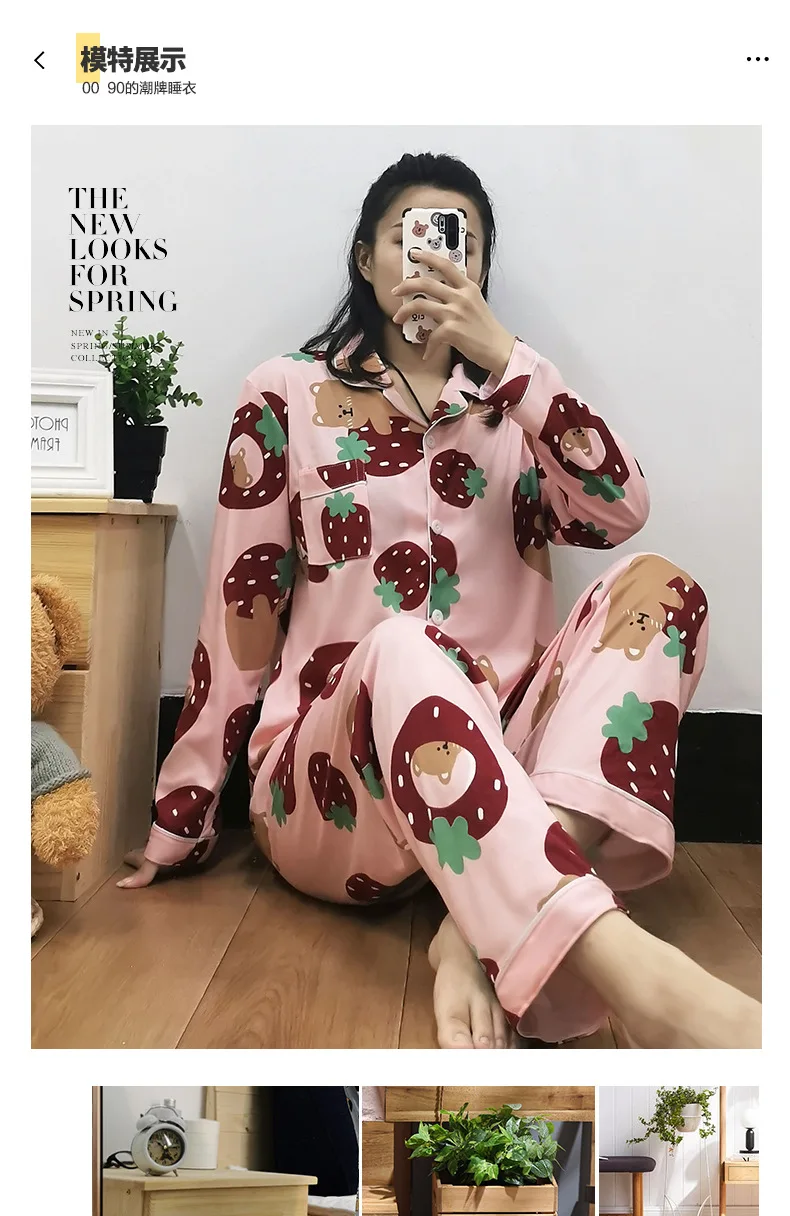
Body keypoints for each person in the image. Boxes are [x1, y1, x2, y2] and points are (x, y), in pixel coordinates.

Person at [120, 151, 760, 1051]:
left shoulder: (517, 410)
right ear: (364, 256)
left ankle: (472, 924)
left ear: (481, 269)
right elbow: (240, 612)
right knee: (401, 643)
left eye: (460, 242)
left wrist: (509, 362)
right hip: (338, 789)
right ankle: (633, 971)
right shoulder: (285, 393)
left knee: (665, 587)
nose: (429, 255)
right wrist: (180, 817)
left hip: (508, 767)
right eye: (406, 236)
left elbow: (621, 511)